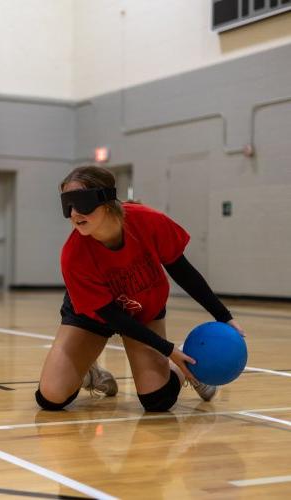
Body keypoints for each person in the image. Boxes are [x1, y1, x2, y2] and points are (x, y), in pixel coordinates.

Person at [36, 166, 245, 412]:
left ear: (106, 200)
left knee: (157, 401)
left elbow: (184, 273)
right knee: (50, 398)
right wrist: (167, 349)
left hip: (144, 307)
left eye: (80, 203)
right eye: (66, 205)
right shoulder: (73, 255)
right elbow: (112, 316)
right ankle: (89, 373)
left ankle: (184, 370)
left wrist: (224, 316)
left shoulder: (148, 221)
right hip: (94, 314)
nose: (73, 213)